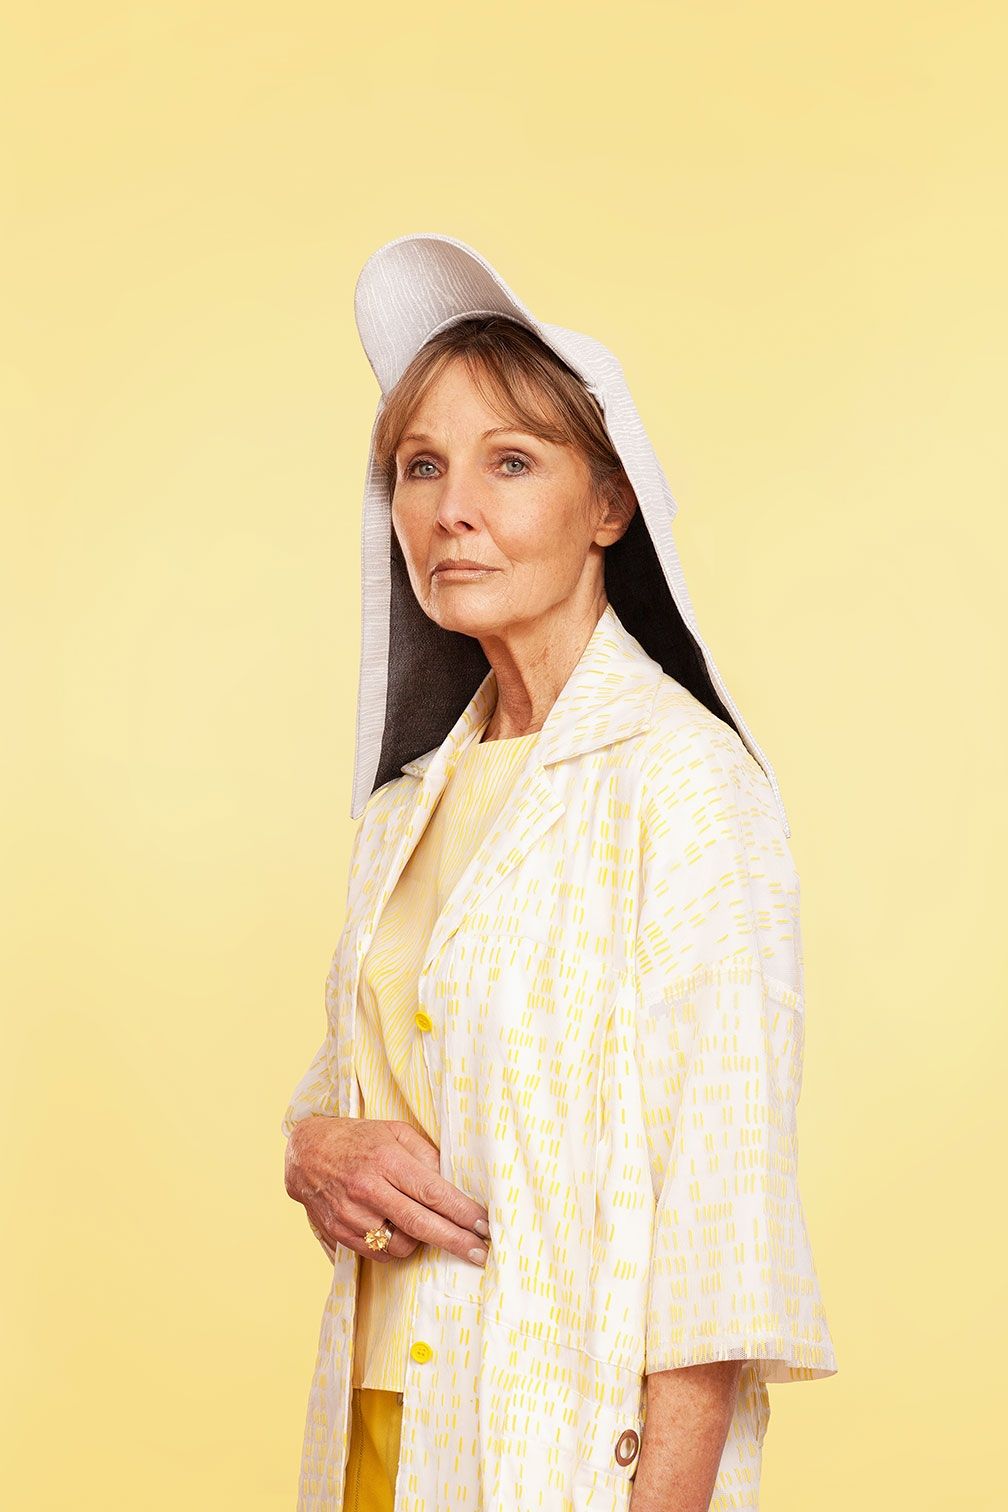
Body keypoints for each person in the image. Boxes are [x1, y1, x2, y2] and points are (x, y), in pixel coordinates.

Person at [281, 233, 838, 1512]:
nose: (450, 509)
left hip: (560, 1448)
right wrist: (314, 1144)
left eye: (511, 461)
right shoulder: (407, 807)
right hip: (381, 1429)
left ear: (609, 506)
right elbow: (358, 1079)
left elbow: (722, 1217)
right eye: (421, 466)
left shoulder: (685, 786)